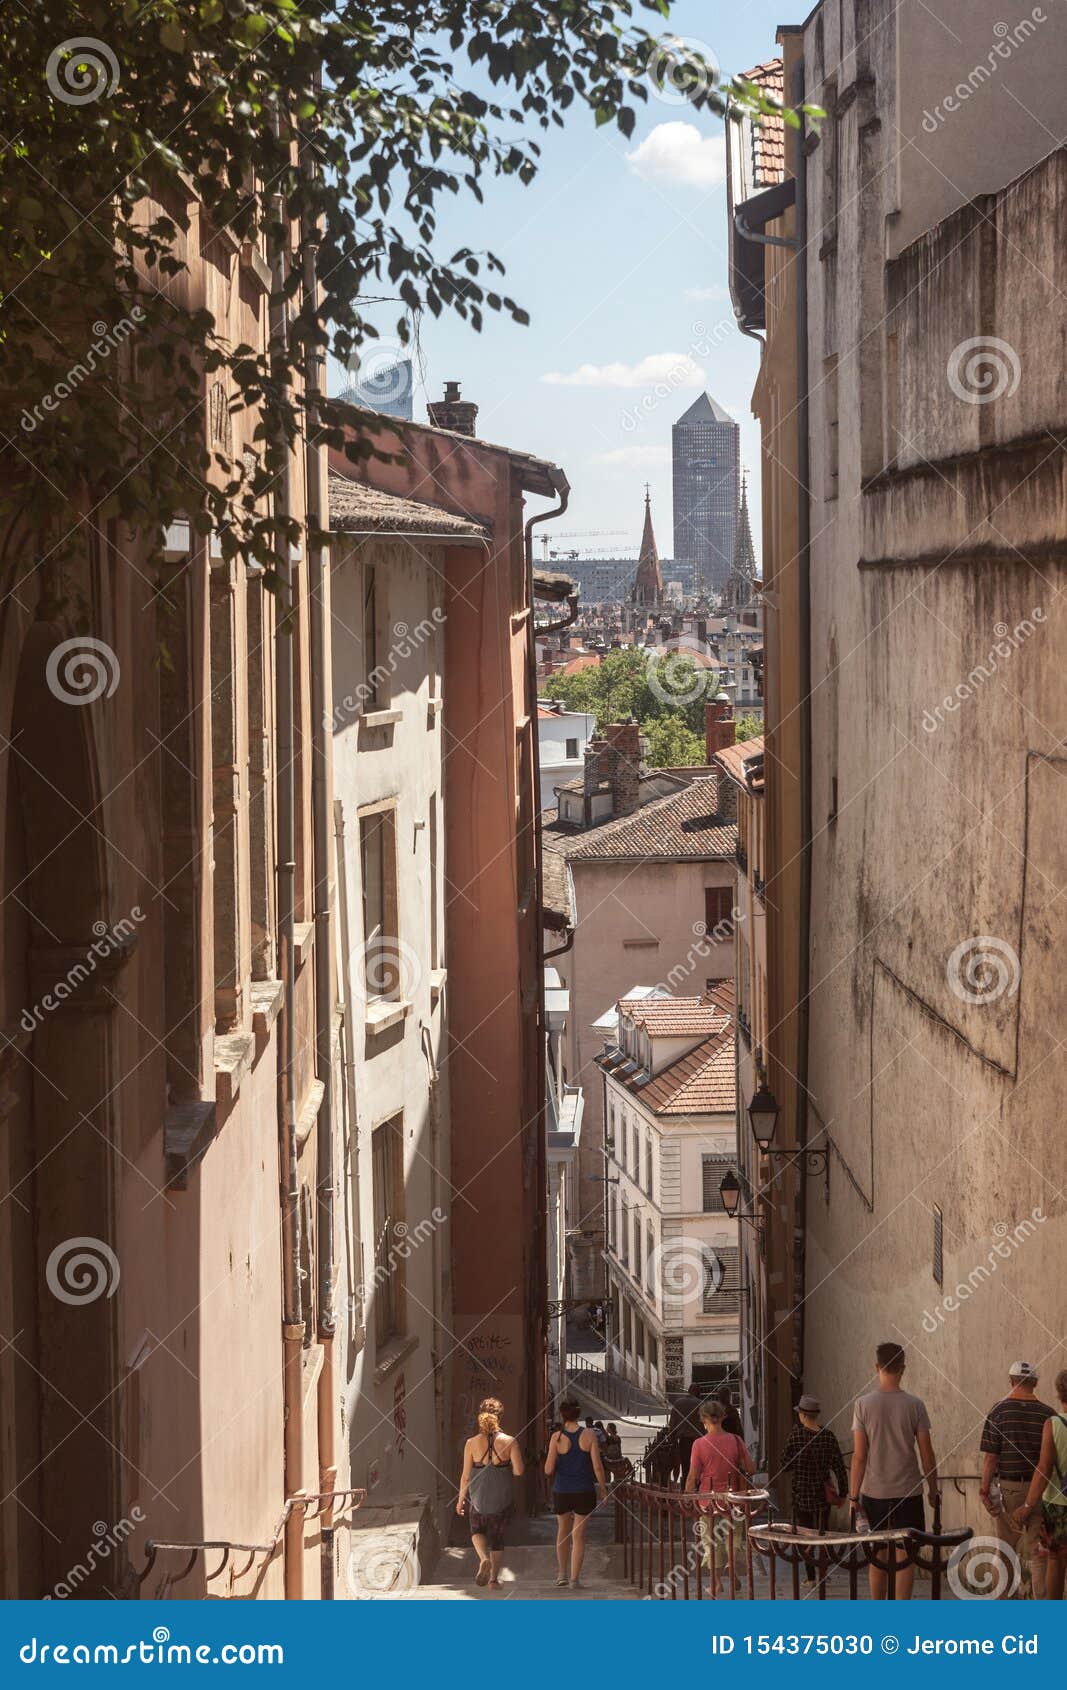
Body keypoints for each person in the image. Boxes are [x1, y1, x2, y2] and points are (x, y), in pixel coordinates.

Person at [850, 1342, 939, 1600]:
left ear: (877, 1367)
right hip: (908, 1491)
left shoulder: (863, 1405)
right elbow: (926, 1452)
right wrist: (933, 1488)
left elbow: (859, 1456)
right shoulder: (915, 1405)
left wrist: (853, 1497)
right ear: (903, 1369)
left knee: (877, 1555)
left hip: (874, 1491)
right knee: (905, 1555)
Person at [979, 1360, 1054, 1599]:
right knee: (1038, 1552)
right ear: (1035, 1383)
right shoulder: (1048, 1415)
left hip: (1009, 1490)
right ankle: (1042, 1606)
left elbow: (991, 1458)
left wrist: (984, 1490)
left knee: (1007, 1551)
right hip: (1041, 1490)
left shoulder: (998, 1410)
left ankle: (1006, 1609)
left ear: (1011, 1382)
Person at [456, 1396, 524, 1589]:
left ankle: (483, 1558)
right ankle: (494, 1580)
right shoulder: (510, 1441)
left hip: (478, 1499)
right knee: (498, 1540)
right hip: (501, 1500)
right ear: (499, 1417)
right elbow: (519, 1471)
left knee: (476, 1531)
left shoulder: (471, 1443)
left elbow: (465, 1476)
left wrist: (461, 1500)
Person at [685, 1399, 755, 1585]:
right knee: (734, 1534)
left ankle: (715, 1582)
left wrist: (686, 1496)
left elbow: (693, 1476)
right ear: (723, 1417)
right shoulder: (736, 1440)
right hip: (733, 1497)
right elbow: (751, 1468)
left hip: (708, 1499)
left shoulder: (699, 1444)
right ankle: (731, 1565)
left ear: (703, 1420)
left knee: (709, 1539)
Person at [1012, 1367, 1067, 1601]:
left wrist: (1027, 1504)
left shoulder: (1053, 1424)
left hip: (1057, 1504)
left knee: (1055, 1560)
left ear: (1059, 1393)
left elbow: (1043, 1469)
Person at [782, 1394, 849, 1582]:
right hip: (822, 1495)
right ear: (816, 1415)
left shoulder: (796, 1436)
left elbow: (784, 1465)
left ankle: (811, 1577)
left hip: (801, 1494)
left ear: (802, 1415)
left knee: (805, 1536)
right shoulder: (828, 1437)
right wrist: (843, 1493)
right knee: (822, 1534)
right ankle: (823, 1573)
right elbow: (839, 1467)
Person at [545, 1398, 607, 1589]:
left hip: (562, 1490)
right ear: (578, 1414)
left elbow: (548, 1470)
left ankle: (561, 1574)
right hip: (584, 1490)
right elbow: (597, 1466)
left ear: (562, 1415)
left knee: (562, 1533)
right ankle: (574, 1579)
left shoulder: (556, 1437)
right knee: (578, 1536)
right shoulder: (588, 1435)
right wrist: (603, 1489)